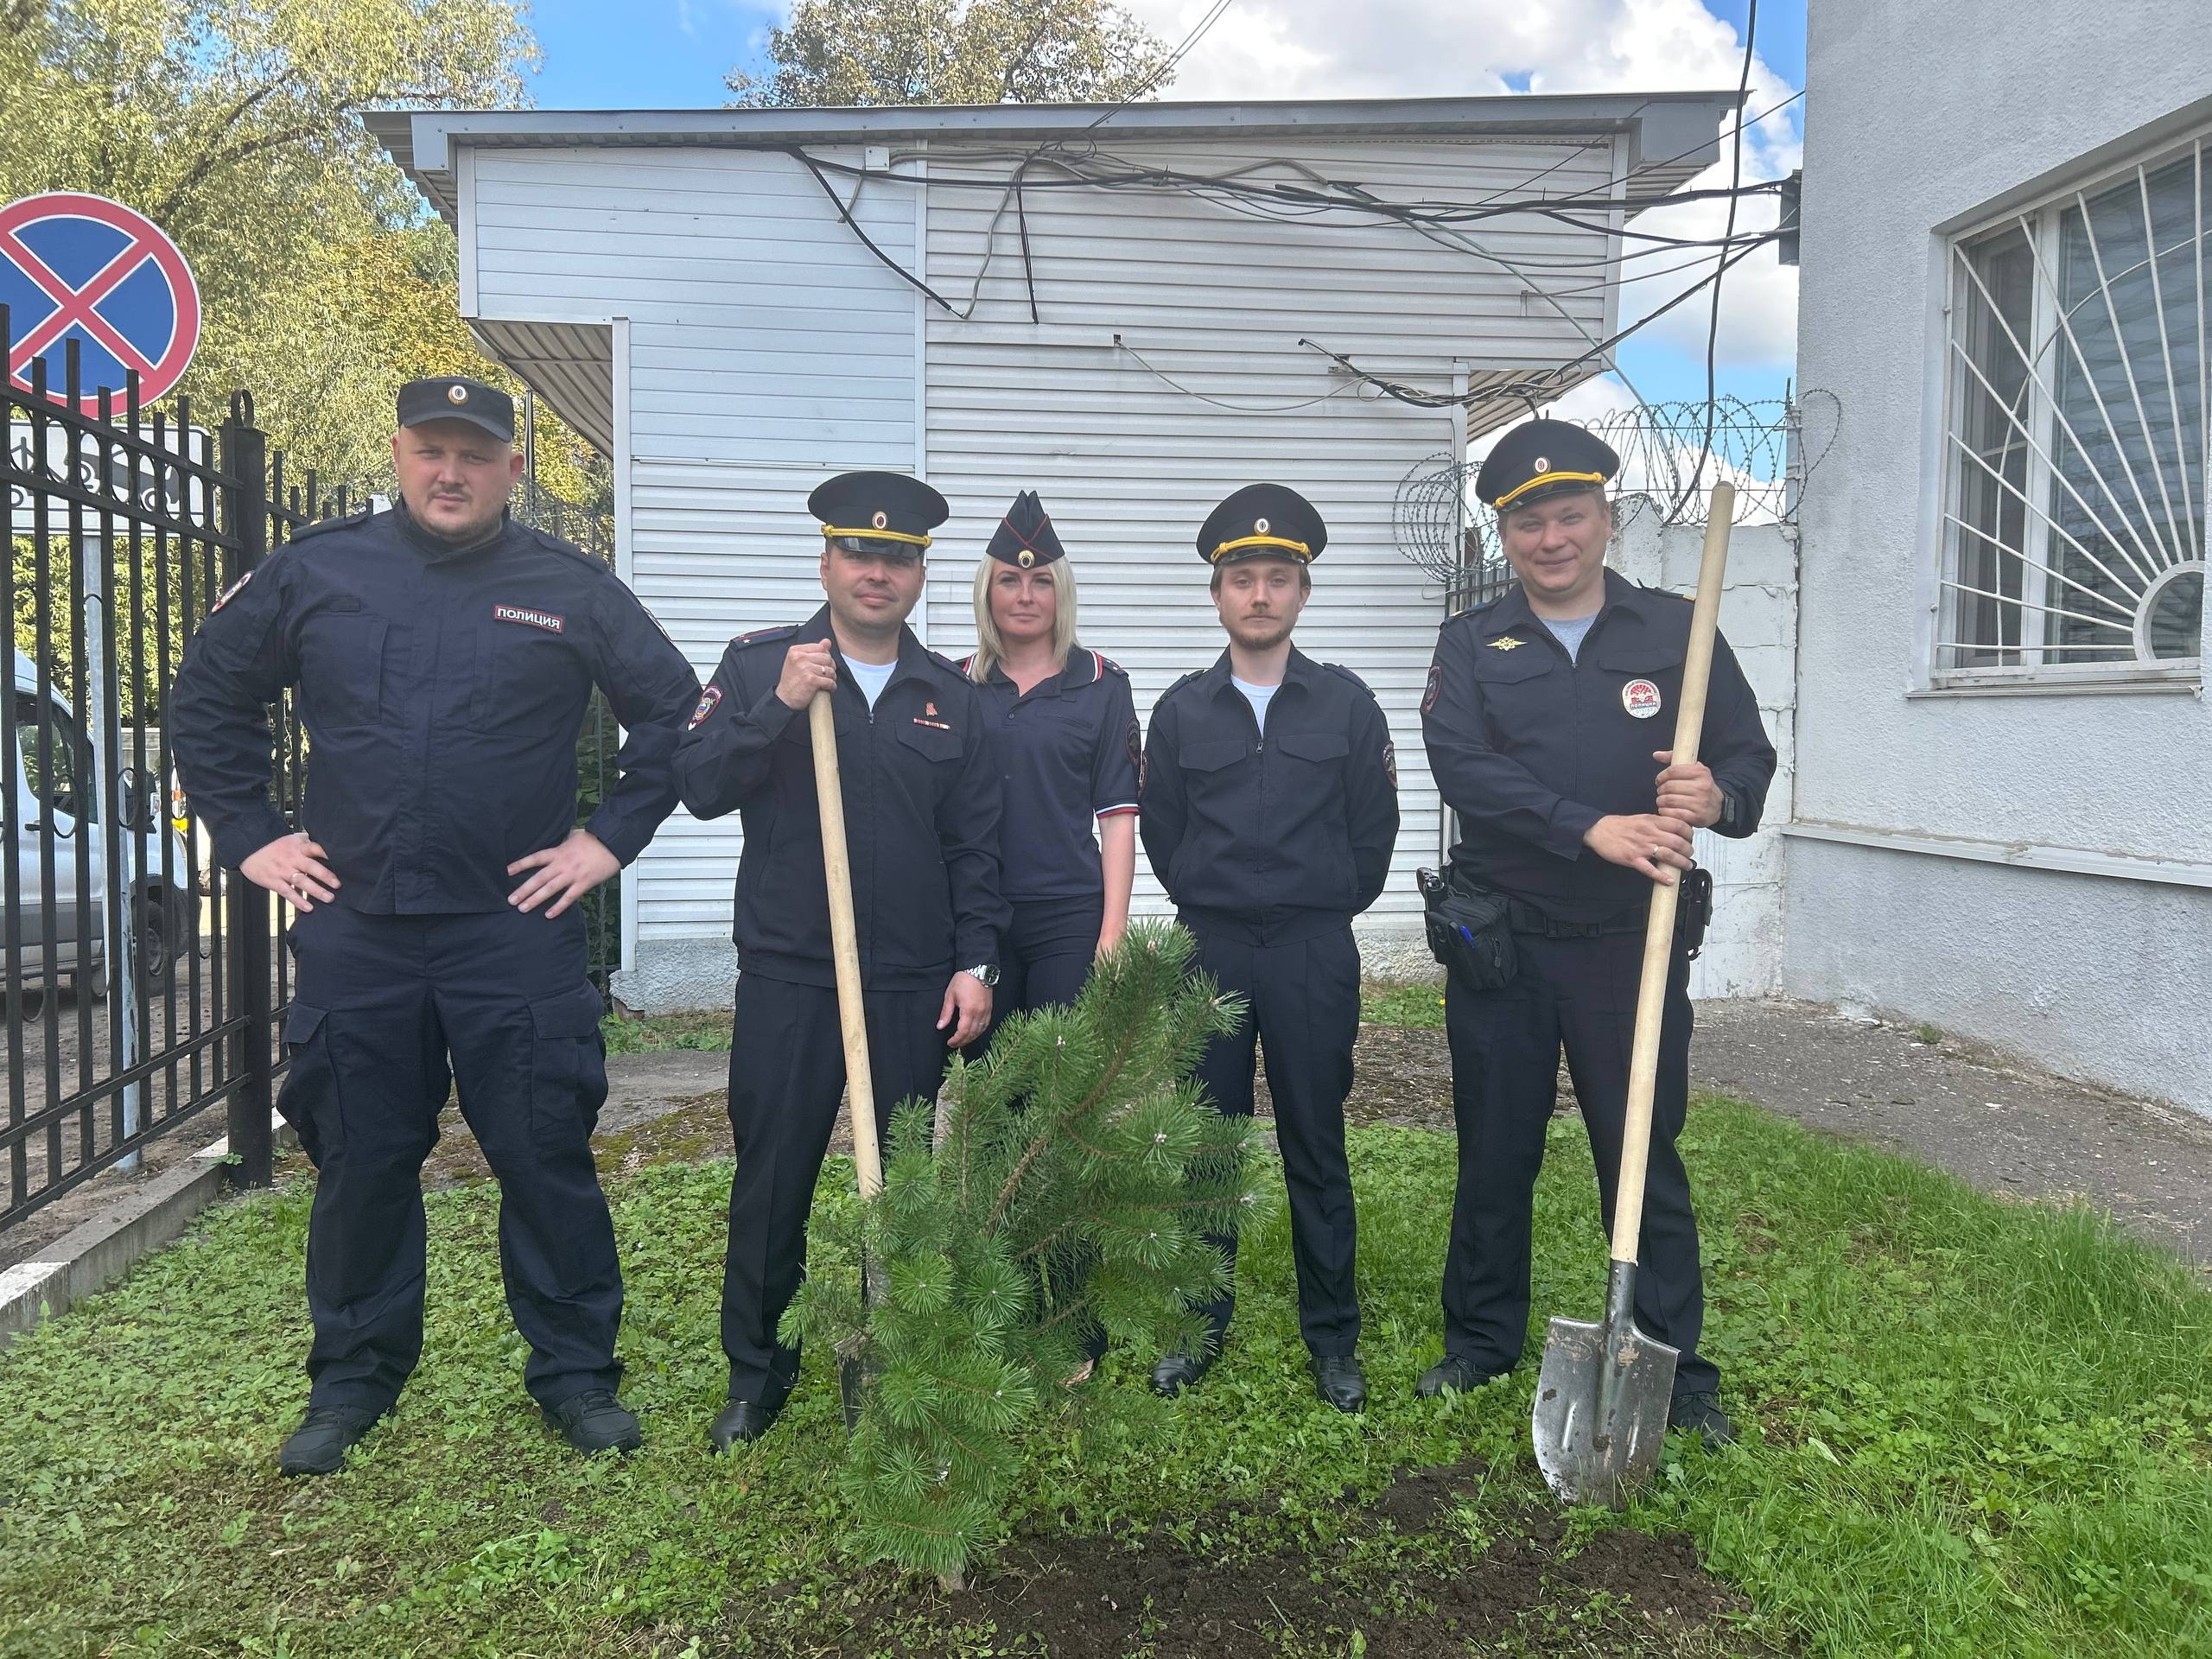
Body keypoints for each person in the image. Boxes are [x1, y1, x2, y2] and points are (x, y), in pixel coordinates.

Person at [169, 376, 702, 1476]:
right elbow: (207, 698)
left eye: (476, 453)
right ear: (401, 453)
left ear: (515, 470)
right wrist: (249, 833)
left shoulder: (571, 588)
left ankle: (574, 1377)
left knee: (543, 1153)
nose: (450, 472)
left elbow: (674, 715)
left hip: (512, 927)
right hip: (356, 923)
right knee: (360, 1158)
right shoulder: (315, 571)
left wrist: (607, 842)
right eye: (431, 449)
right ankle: (353, 1381)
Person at [1416, 418, 1776, 1446]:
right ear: (1505, 535)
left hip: (1633, 939)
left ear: (1604, 520)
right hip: (1506, 948)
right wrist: (1590, 826)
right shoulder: (1472, 644)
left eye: (1568, 514)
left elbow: (1748, 760)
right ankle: (1481, 1344)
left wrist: (1716, 793)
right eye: (1527, 521)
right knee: (1495, 1152)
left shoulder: (1678, 631)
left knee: (1642, 1155)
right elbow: (1463, 769)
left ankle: (1676, 1368)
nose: (1550, 537)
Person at [675, 470, 1007, 1452]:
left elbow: (976, 847)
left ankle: (896, 1352)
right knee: (771, 1174)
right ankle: (757, 1371)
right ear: (826, 561)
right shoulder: (756, 665)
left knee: (901, 1180)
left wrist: (976, 963)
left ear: (918, 576)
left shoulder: (949, 696)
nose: (878, 572)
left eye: (897, 558)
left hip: (908, 977)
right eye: (859, 553)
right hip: (790, 971)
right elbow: (694, 784)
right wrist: (774, 707)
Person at [1139, 484, 1400, 1414]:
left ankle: (1332, 1338)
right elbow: (1164, 837)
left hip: (1308, 951)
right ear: (1217, 596)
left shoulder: (1346, 706)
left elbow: (1373, 839)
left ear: (1302, 592)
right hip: (1208, 951)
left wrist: (1308, 908)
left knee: (1314, 1144)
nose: (1259, 594)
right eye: (1241, 579)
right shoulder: (1180, 713)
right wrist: (1220, 901)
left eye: (1277, 578)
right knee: (1207, 1145)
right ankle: (1197, 1327)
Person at [961, 490, 1139, 1029]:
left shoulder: (1103, 685)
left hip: (1069, 913)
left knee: (1059, 1083)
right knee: (987, 1083)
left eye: (1042, 582)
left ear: (1061, 594)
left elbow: (1118, 816)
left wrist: (1113, 933)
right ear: (987, 593)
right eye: (1009, 581)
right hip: (977, 913)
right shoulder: (955, 684)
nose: (1025, 595)